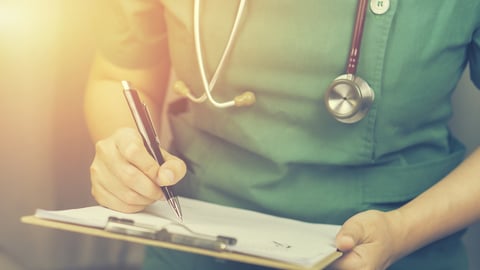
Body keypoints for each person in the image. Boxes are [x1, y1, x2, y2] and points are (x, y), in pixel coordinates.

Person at [84, 1, 480, 269]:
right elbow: (121, 74)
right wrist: (127, 155)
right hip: (192, 236)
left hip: (397, 245)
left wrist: (402, 231)